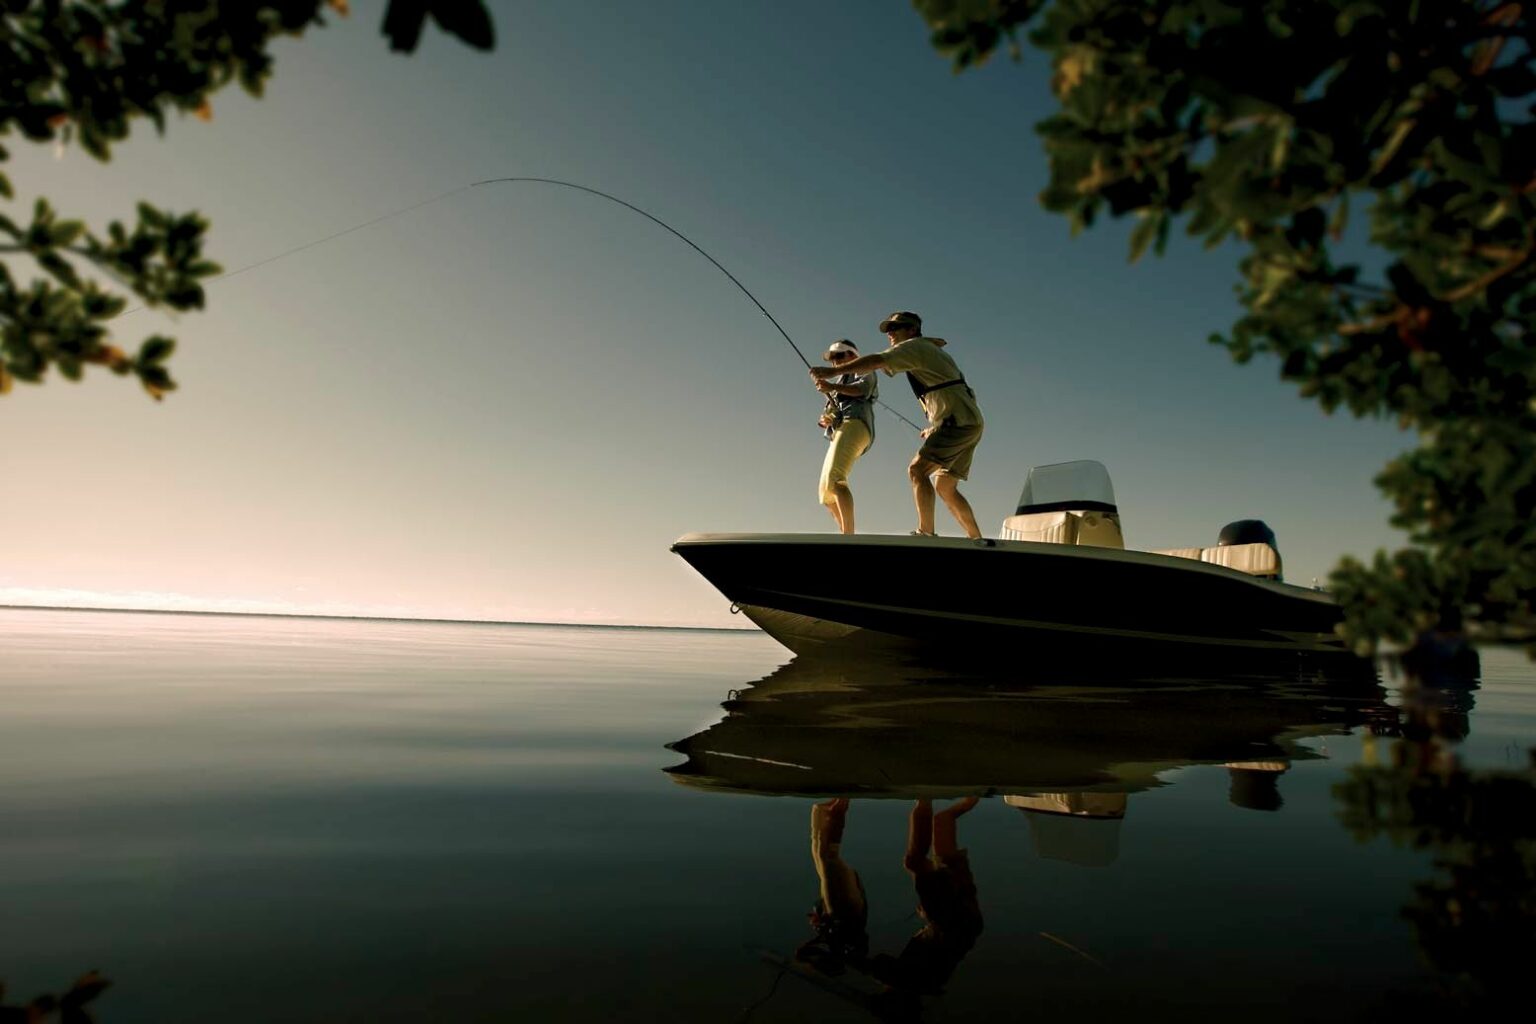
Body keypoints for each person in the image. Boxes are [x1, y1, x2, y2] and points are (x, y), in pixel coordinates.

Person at [810, 311, 983, 538]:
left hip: (957, 424)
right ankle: (977, 540)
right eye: (888, 329)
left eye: (896, 328)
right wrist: (937, 425)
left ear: (912, 330)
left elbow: (876, 361)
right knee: (945, 485)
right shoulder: (925, 349)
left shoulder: (914, 347)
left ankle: (926, 533)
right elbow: (957, 391)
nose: (890, 333)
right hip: (966, 422)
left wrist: (833, 373)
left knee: (917, 470)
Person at [814, 339, 878, 534]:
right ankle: (845, 533)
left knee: (836, 479)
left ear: (852, 355)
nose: (835, 362)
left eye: (839, 356)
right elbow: (834, 412)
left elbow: (862, 389)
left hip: (856, 424)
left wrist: (832, 388)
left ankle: (848, 536)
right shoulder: (839, 381)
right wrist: (827, 419)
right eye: (833, 359)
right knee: (825, 492)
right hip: (842, 429)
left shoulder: (864, 368)